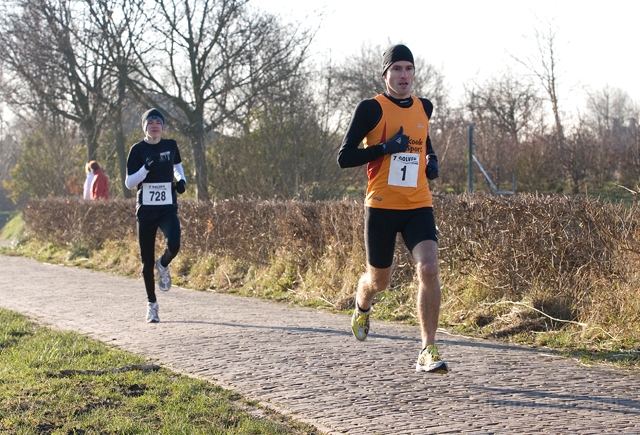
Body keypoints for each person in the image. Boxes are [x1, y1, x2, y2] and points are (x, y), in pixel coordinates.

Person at [337, 44, 447, 373]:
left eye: (408, 68)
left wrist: (431, 159)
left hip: (418, 204)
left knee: (428, 268)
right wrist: (385, 148)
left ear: (414, 73)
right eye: (396, 69)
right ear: (385, 74)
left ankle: (427, 349)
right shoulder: (371, 109)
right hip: (382, 207)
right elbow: (345, 157)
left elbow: (423, 140)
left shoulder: (424, 107)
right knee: (379, 282)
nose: (403, 75)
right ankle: (363, 300)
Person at [125, 108, 187, 323]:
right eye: (150, 122)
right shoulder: (137, 150)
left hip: (167, 206)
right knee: (145, 261)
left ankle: (164, 264)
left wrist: (181, 181)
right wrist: (145, 169)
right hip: (146, 211)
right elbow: (129, 182)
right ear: (145, 127)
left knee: (175, 244)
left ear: (162, 126)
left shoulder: (170, 145)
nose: (154, 125)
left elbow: (177, 166)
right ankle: (152, 305)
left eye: (158, 122)